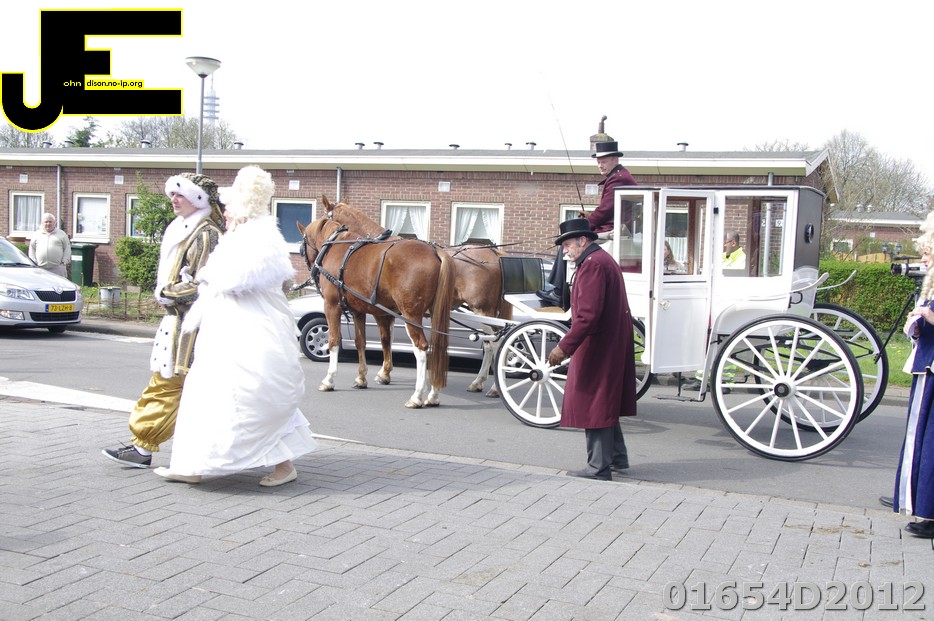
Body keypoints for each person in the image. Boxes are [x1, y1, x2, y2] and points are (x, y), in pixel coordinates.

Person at [153, 165, 317, 486]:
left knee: (253, 397)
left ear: (243, 208)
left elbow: (240, 279)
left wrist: (206, 277)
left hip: (250, 335)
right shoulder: (239, 236)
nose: (224, 211)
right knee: (208, 396)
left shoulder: (258, 235)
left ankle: (284, 466)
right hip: (226, 334)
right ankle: (192, 465)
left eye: (229, 206)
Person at [102, 173, 225, 467]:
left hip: (193, 325)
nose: (174, 199)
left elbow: (205, 283)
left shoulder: (206, 234)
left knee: (170, 382)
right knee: (171, 381)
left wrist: (167, 292)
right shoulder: (183, 228)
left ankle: (145, 446)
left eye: (181, 195)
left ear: (198, 199)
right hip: (177, 321)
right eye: (173, 194)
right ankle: (147, 446)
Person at [546, 218, 637, 481]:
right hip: (609, 341)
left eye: (567, 245)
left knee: (595, 402)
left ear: (582, 240)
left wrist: (563, 347)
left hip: (599, 345)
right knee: (604, 400)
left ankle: (598, 467)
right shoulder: (600, 260)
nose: (565, 251)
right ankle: (617, 458)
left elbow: (587, 316)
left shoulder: (592, 265)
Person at [538, 140, 637, 307]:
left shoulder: (618, 179)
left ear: (615, 159)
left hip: (613, 230)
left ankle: (559, 292)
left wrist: (584, 227)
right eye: (598, 162)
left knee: (568, 243)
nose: (600, 165)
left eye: (603, 161)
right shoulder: (619, 176)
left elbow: (605, 211)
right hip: (616, 228)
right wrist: (589, 217)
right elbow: (609, 209)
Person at [887, 212, 934, 537]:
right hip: (926, 364)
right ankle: (918, 500)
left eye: (928, 252)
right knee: (922, 439)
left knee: (928, 441)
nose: (923, 258)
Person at [28, 213, 71, 277]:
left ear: (54, 223)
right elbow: (32, 249)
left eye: (50, 222)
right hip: (40, 268)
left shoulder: (62, 234)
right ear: (42, 223)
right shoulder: (36, 234)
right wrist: (34, 262)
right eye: (46, 222)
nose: (48, 224)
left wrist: (64, 261)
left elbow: (67, 248)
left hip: (58, 269)